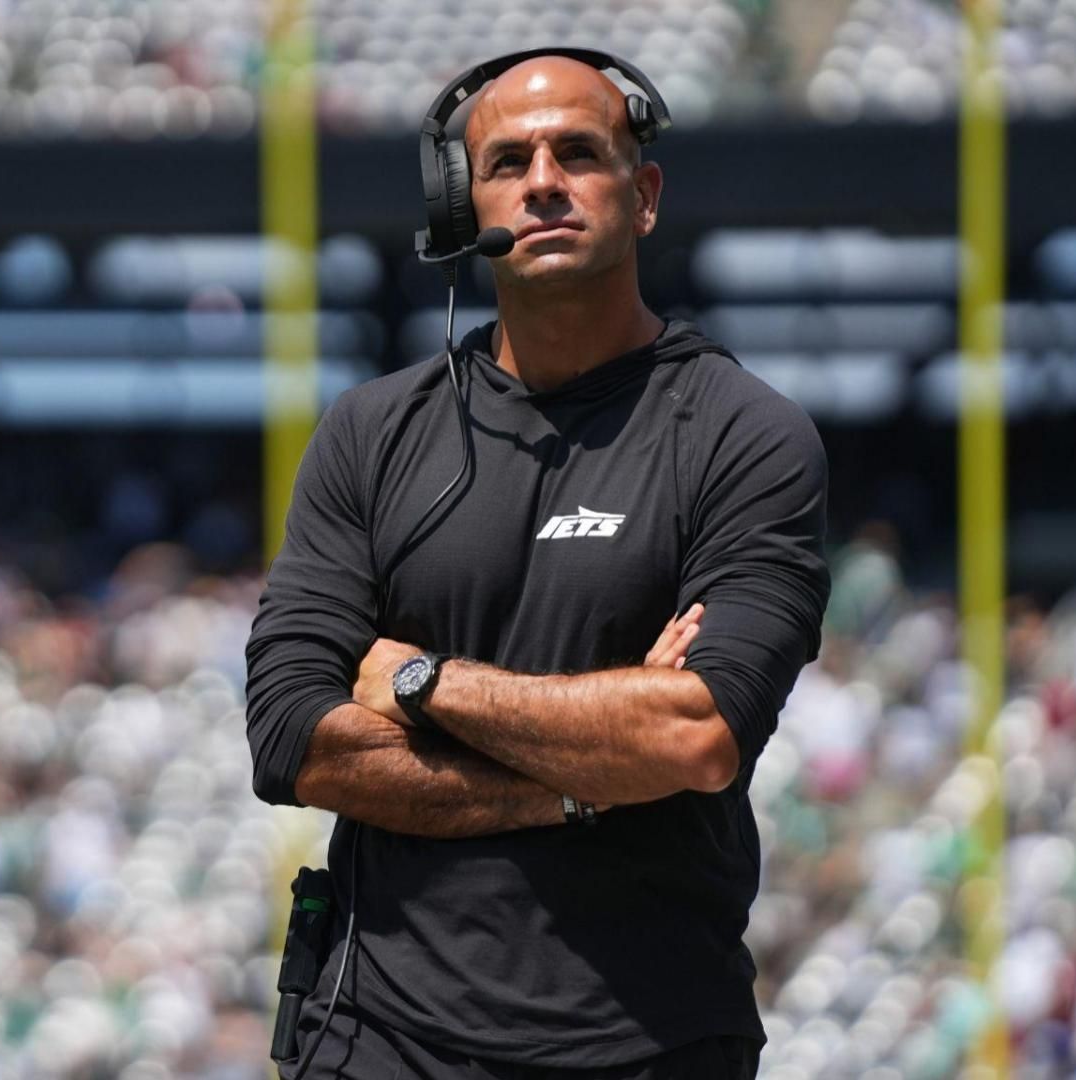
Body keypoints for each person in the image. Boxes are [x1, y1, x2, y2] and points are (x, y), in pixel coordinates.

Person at [245, 53, 830, 1079]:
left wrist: (423, 682)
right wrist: (583, 784)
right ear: (463, 207)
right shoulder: (370, 432)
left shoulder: (747, 435)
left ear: (642, 196)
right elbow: (295, 743)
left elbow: (693, 736)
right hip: (379, 1038)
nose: (545, 181)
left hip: (652, 1040)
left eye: (579, 153)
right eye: (509, 159)